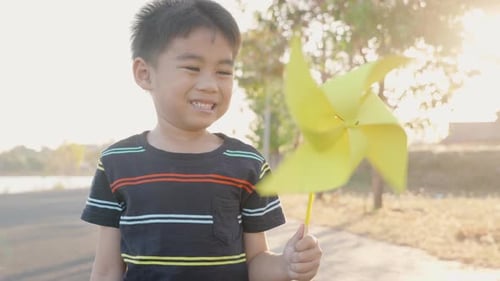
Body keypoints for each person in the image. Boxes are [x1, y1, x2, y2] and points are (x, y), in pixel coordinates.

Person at [80, 0, 322, 280]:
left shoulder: (248, 164)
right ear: (145, 74)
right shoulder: (116, 163)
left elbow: (256, 261)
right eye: (192, 68)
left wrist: (286, 265)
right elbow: (108, 269)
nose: (210, 84)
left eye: (223, 72)